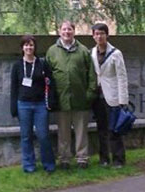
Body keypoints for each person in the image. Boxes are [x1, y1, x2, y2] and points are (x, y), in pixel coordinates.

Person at [46, 20, 96, 169]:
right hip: (61, 101)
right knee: (63, 133)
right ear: (59, 31)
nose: (67, 32)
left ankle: (82, 158)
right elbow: (47, 76)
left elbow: (92, 75)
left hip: (80, 99)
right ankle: (64, 159)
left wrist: (89, 94)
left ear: (74, 31)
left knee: (81, 132)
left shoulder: (83, 51)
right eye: (64, 29)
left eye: (70, 29)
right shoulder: (52, 51)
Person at [10, 35, 56, 173]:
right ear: (22, 47)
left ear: (35, 47)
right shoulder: (17, 66)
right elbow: (14, 88)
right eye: (26, 45)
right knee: (26, 136)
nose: (29, 47)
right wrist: (13, 107)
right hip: (23, 105)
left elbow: (51, 83)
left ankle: (49, 164)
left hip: (40, 105)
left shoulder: (42, 64)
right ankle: (29, 166)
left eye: (31, 45)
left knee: (43, 135)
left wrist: (51, 101)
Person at [90, 23, 129, 168]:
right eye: (96, 34)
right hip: (98, 97)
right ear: (93, 36)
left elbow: (122, 77)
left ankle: (119, 159)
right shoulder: (92, 53)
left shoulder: (116, 54)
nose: (99, 36)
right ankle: (104, 159)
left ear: (107, 35)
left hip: (113, 97)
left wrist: (122, 100)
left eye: (102, 33)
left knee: (114, 130)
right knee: (101, 130)